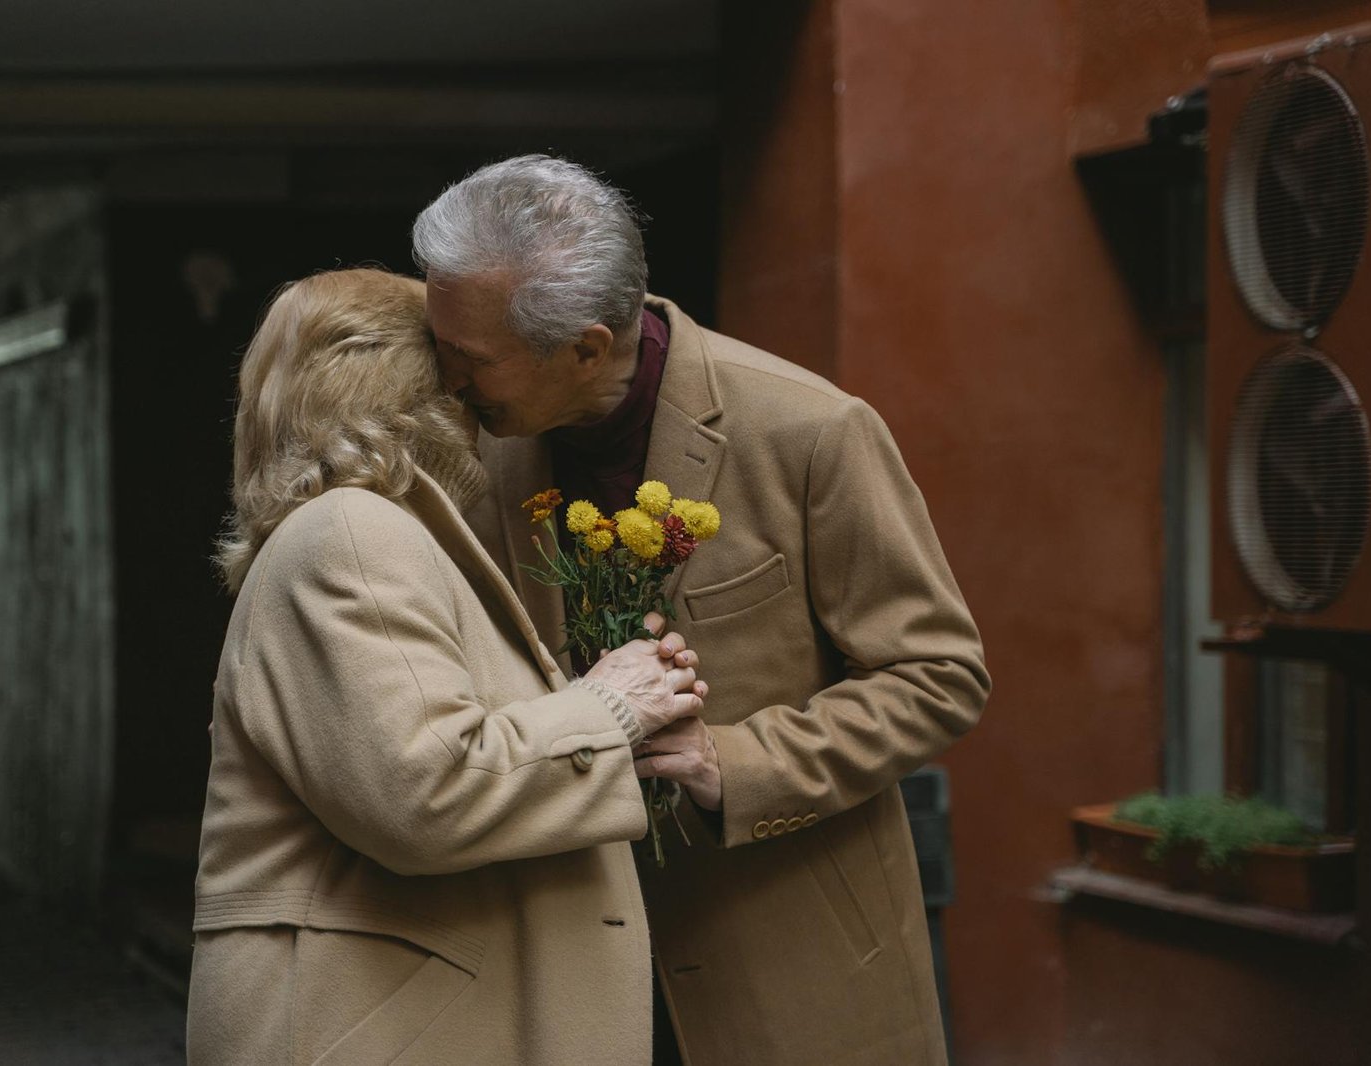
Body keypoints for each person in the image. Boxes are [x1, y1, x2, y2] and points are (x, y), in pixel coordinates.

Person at [414, 156, 992, 1065]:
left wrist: (743, 762)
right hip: (565, 964)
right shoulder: (483, 445)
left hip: (794, 966)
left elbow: (940, 677)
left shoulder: (813, 430)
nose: (447, 382)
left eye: (470, 360)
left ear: (586, 349)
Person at [186, 268, 708, 1066]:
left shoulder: (363, 530)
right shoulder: (352, 535)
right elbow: (424, 791)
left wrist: (612, 724)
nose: (483, 406)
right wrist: (609, 710)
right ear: (413, 385)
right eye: (457, 372)